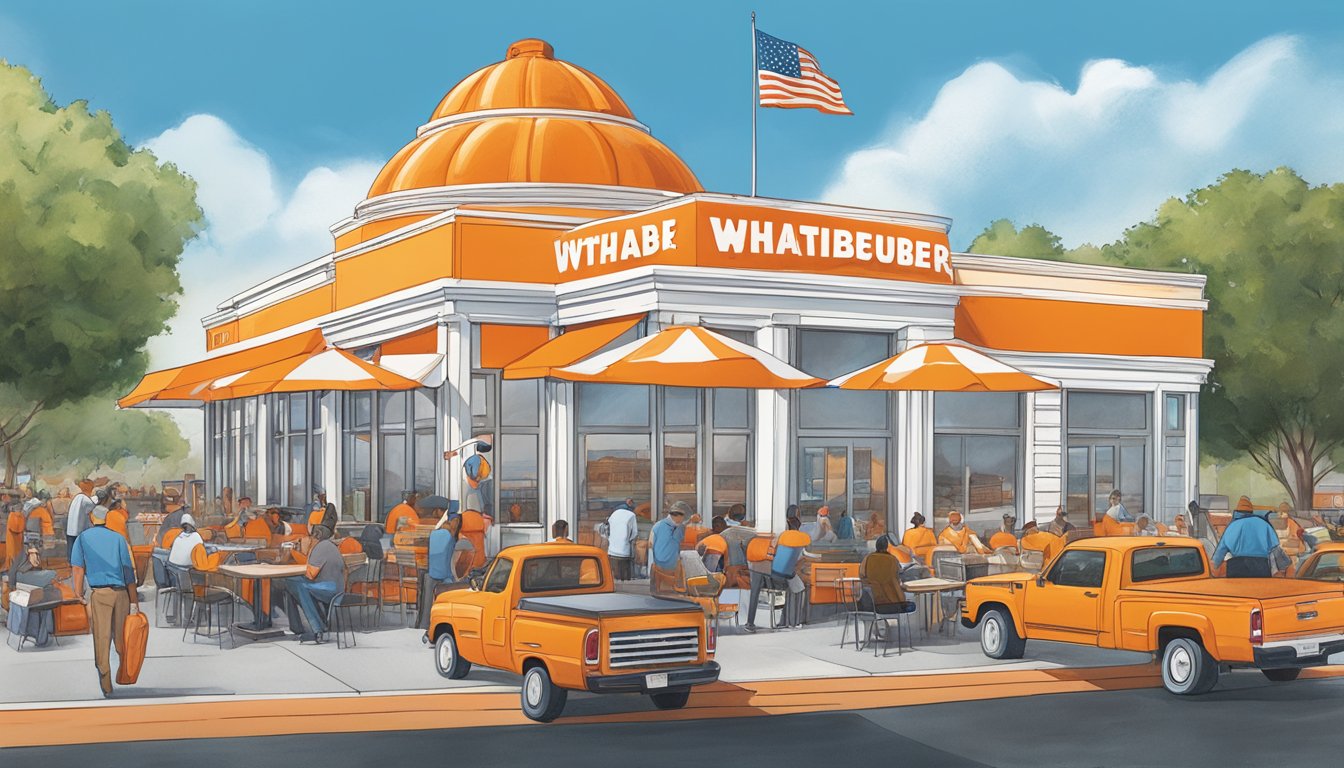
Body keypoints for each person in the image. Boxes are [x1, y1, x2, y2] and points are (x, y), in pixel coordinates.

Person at [70, 504, 139, 697]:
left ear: (92, 518)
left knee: (102, 638)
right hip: (122, 594)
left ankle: (106, 683)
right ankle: (124, 673)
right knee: (121, 637)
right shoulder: (119, 539)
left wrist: (78, 592)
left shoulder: (83, 539)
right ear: (107, 518)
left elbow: (77, 568)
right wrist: (134, 600)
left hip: (100, 595)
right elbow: (128, 571)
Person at [278, 524, 343, 641]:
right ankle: (297, 628)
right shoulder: (329, 546)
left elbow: (310, 574)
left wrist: (301, 552)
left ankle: (316, 630)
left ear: (316, 536)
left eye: (310, 537)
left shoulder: (320, 548)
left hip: (329, 588)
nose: (307, 539)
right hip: (334, 586)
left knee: (300, 587)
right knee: (291, 583)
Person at [417, 501, 463, 630]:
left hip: (432, 573)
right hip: (446, 576)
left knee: (428, 592)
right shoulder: (451, 535)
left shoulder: (435, 533)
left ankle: (425, 624)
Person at [1211, 496, 1283, 578]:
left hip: (1236, 567)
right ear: (1251, 511)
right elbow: (1275, 549)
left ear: (1237, 511)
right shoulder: (1264, 524)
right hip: (1261, 567)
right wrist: (1283, 565)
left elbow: (1220, 551)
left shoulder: (1232, 526)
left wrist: (1215, 566)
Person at [859, 535, 917, 616]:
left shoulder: (867, 559)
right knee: (912, 605)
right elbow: (900, 575)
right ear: (886, 547)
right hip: (895, 604)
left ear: (876, 546)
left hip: (875, 605)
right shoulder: (892, 559)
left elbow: (862, 576)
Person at [648, 506, 688, 595]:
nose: (682, 520)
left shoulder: (658, 526)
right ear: (677, 516)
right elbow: (650, 544)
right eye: (681, 518)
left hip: (661, 563)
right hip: (666, 565)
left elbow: (650, 544)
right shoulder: (678, 527)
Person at [605, 499, 638, 581]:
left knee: (613, 575)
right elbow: (634, 533)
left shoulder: (613, 514)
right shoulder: (631, 515)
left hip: (611, 550)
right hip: (624, 550)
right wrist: (628, 540)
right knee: (625, 575)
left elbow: (607, 530)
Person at [66, 479, 97, 554]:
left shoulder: (78, 497)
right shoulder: (85, 499)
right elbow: (93, 507)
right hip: (79, 531)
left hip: (71, 530)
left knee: (72, 549)